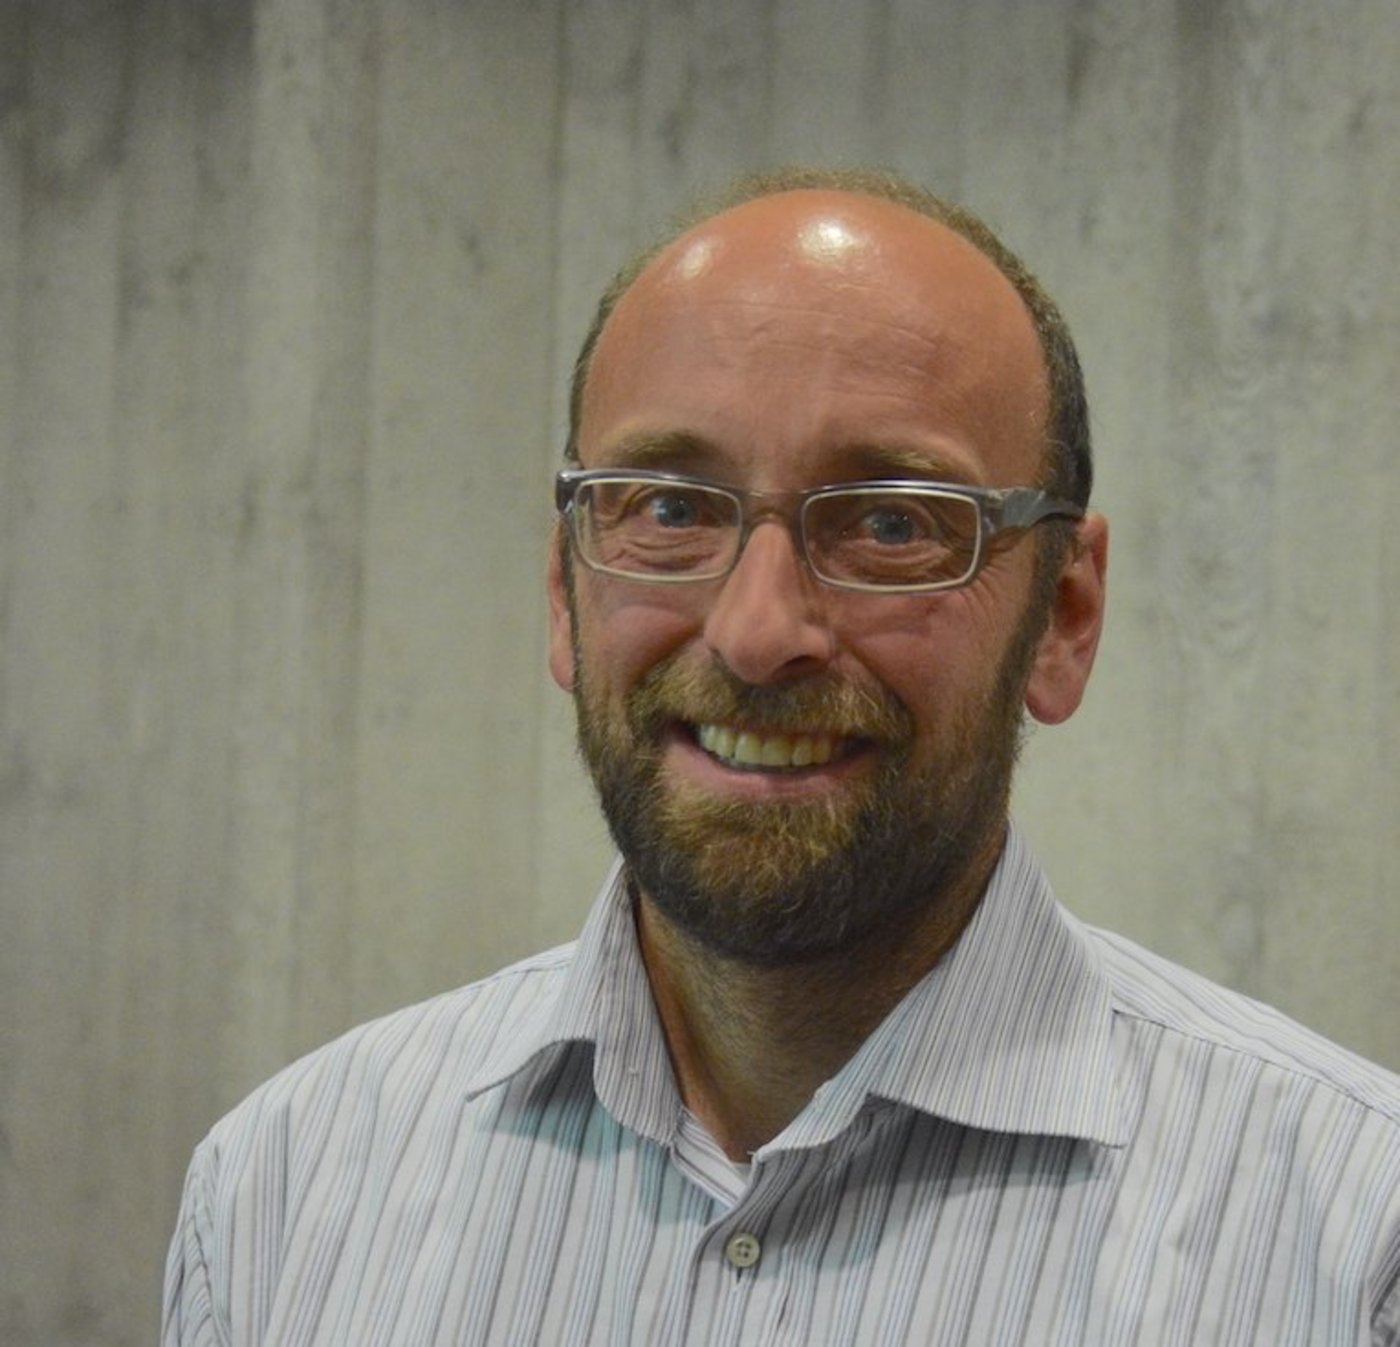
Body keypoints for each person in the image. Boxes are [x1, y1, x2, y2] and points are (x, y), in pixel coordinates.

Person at [163, 168, 1400, 1345]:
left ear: (1062, 617)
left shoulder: (1350, 1242)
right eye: (667, 508)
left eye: (892, 522)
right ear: (561, 591)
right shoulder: (286, 1194)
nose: (756, 633)